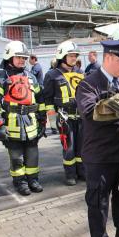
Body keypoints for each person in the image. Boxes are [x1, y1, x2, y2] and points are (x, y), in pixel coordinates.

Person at [76, 40, 119, 237]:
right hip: (99, 156)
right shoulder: (88, 83)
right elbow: (91, 111)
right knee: (98, 204)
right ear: (108, 58)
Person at [0, 41, 47, 195]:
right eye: (18, 57)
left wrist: (42, 119)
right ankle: (20, 182)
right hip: (12, 125)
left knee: (32, 154)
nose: (22, 60)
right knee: (16, 156)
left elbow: (40, 98)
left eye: (24, 58)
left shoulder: (31, 77)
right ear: (9, 56)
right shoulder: (0, 78)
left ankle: (33, 179)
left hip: (31, 124)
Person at [43, 41, 85, 185]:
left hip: (81, 117)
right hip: (64, 118)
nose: (74, 58)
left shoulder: (80, 72)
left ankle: (82, 171)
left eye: (75, 55)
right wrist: (52, 120)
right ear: (62, 56)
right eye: (71, 55)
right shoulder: (51, 75)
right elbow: (47, 99)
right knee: (69, 148)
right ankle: (70, 175)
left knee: (82, 147)